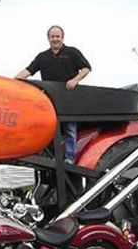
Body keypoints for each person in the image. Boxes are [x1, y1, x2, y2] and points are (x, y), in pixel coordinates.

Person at [15, 25, 91, 163]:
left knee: (70, 129)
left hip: (69, 99)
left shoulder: (72, 52)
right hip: (50, 100)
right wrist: (13, 81)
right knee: (50, 129)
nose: (55, 39)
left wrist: (75, 80)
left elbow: (86, 68)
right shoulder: (42, 57)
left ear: (62, 37)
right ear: (48, 38)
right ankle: (54, 158)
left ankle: (70, 158)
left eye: (57, 36)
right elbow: (28, 71)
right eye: (52, 36)